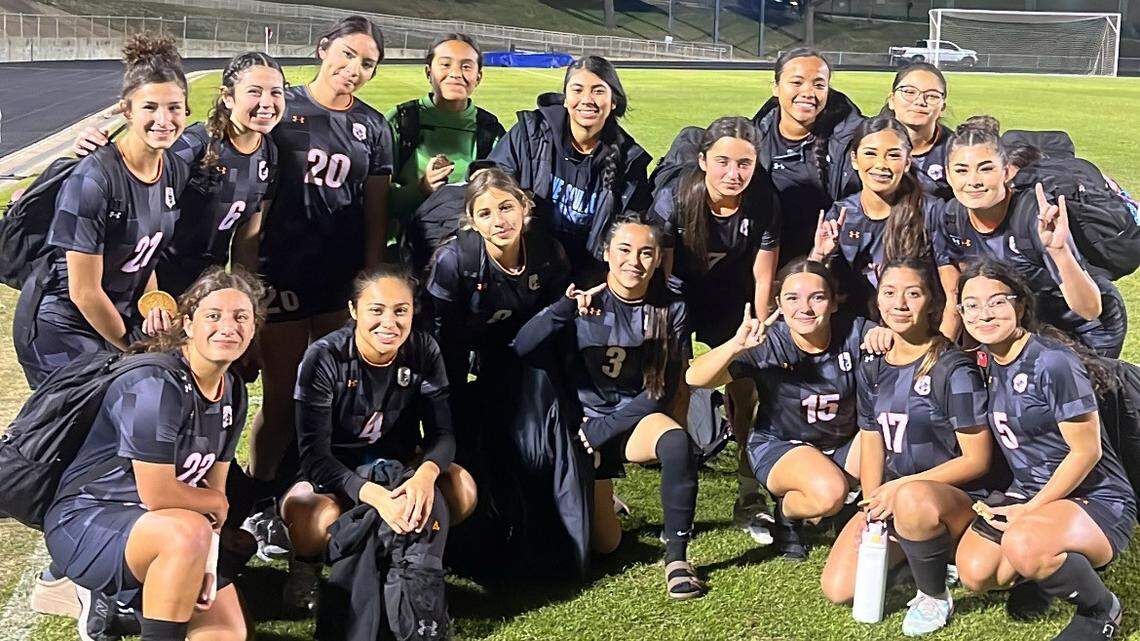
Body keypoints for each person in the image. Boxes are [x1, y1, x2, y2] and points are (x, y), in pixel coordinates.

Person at [42, 267, 265, 641]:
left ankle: (133, 608)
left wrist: (208, 562)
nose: (228, 326)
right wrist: (211, 506)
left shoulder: (233, 389)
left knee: (226, 634)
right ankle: (115, 594)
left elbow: (214, 499)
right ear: (188, 324)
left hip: (173, 530)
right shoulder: (154, 384)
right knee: (185, 531)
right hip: (91, 520)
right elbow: (160, 494)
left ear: (254, 327)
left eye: (241, 317)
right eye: (214, 315)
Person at [247, 16, 394, 525]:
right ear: (322, 48)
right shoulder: (280, 105)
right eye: (348, 55)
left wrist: (369, 276)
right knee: (282, 399)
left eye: (367, 63)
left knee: (329, 398)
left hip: (338, 279)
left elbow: (375, 210)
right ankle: (257, 498)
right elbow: (230, 150)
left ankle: (315, 493)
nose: (354, 69)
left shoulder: (374, 127)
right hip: (280, 272)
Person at [513, 216, 705, 599]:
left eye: (645, 252)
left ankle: (677, 557)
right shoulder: (583, 296)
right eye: (624, 249)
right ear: (606, 253)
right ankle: (603, 499)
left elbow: (660, 388)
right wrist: (562, 311)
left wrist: (605, 429)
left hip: (628, 422)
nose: (634, 261)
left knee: (676, 442)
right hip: (583, 425)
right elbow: (521, 346)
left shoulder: (670, 308)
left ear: (657, 261)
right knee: (606, 545)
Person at [953, 258, 1135, 641]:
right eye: (971, 305)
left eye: (997, 301)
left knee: (1024, 541)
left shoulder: (1052, 361)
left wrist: (1029, 512)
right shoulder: (988, 359)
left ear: (1020, 304)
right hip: (1033, 492)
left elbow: (1086, 453)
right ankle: (1043, 566)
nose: (983, 313)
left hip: (1094, 496)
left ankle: (1100, 610)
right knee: (975, 572)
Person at [280, 264, 477, 610]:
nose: (390, 323)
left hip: (397, 465)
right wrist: (375, 497)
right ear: (354, 311)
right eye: (376, 310)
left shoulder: (422, 349)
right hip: (334, 473)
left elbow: (443, 434)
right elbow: (314, 457)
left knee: (462, 489)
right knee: (311, 519)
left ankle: (417, 553)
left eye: (401, 311)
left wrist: (424, 475)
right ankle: (305, 564)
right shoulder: (324, 357)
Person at [818, 258, 997, 636]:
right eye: (889, 292)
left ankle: (934, 593)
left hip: (953, 499)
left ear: (932, 302)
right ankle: (918, 556)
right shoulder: (874, 365)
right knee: (838, 589)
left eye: (913, 293)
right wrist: (872, 504)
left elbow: (977, 459)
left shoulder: (953, 368)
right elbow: (871, 438)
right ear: (877, 301)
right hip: (896, 497)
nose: (900, 303)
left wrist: (898, 490)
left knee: (914, 498)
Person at [425, 168, 589, 576]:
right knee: (466, 437)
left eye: (506, 207)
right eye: (485, 213)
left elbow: (557, 328)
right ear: (472, 221)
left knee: (533, 431)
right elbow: (438, 342)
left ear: (525, 207)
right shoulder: (454, 260)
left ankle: (547, 530)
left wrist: (568, 395)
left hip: (522, 353)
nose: (499, 221)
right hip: (461, 355)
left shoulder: (548, 252)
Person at [14, 33, 191, 389]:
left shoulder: (171, 167)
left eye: (174, 107)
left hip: (113, 318)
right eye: (150, 107)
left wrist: (151, 307)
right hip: (60, 324)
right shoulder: (95, 179)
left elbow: (145, 255)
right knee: (79, 429)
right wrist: (131, 346)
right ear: (126, 110)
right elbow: (83, 291)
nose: (164, 119)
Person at [649, 115, 781, 543]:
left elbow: (763, 276)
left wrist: (757, 329)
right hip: (682, 291)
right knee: (679, 383)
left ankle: (749, 488)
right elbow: (663, 273)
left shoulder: (763, 198)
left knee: (746, 387)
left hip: (731, 294)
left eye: (744, 163)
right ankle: (681, 478)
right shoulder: (676, 196)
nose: (733, 173)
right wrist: (669, 329)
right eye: (723, 161)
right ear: (704, 160)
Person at [687, 258, 873, 560]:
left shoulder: (855, 331)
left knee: (888, 437)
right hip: (782, 444)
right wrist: (735, 346)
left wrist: (887, 336)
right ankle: (788, 512)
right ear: (779, 305)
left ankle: (846, 512)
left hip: (841, 443)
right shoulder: (769, 341)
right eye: (793, 298)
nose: (805, 308)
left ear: (834, 302)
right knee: (830, 493)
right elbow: (695, 378)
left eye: (817, 297)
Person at [72, 51, 285, 297]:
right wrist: (93, 149)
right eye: (254, 92)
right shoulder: (192, 147)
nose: (267, 102)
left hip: (207, 288)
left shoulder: (269, 153)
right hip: (153, 281)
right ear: (227, 97)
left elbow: (247, 239)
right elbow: (130, 178)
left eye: (276, 92)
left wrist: (246, 296)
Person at [934, 117, 1126, 357]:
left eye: (986, 168)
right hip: (1030, 325)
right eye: (962, 171)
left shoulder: (1033, 216)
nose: (973, 181)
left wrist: (1060, 252)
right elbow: (964, 294)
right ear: (949, 177)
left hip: (1088, 329)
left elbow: (1090, 309)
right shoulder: (952, 217)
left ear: (1005, 172)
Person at [490, 55, 652, 279]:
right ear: (565, 98)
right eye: (577, 90)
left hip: (590, 277)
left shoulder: (629, 161)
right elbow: (491, 189)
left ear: (613, 101)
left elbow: (631, 228)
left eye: (598, 91)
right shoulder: (530, 135)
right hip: (527, 268)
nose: (587, 99)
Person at [808, 115, 957, 336]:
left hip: (918, 335)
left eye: (893, 155)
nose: (880, 165)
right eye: (870, 153)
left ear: (907, 162)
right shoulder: (841, 213)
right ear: (854, 159)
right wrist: (820, 256)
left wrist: (942, 353)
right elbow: (812, 293)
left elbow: (953, 294)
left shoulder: (930, 211)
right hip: (857, 336)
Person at [751, 47, 863, 263]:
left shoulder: (849, 143)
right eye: (797, 82)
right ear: (775, 87)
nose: (809, 92)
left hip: (828, 263)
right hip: (761, 263)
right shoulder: (752, 139)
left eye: (819, 85)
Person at [386, 33, 505, 227]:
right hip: (406, 245)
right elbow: (375, 199)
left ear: (478, 77)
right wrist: (422, 188)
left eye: (466, 66)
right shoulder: (401, 120)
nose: (456, 73)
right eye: (445, 64)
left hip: (465, 247)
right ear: (428, 72)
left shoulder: (490, 129)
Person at [881, 62, 954, 201]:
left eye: (932, 96)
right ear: (892, 100)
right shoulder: (867, 141)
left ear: (942, 107)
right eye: (909, 92)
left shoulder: (956, 150)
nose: (920, 101)